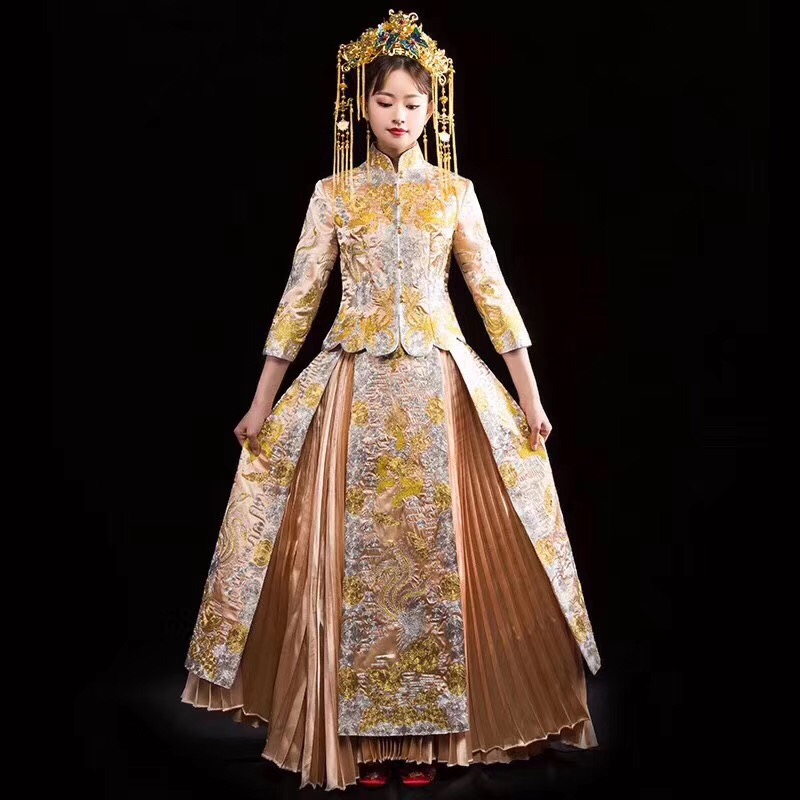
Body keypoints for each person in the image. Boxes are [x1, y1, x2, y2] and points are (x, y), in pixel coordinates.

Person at [180, 9, 601, 791]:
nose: (399, 115)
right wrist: (260, 403)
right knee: (353, 565)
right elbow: (298, 302)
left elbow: (493, 296)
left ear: (432, 110)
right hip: (353, 388)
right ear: (361, 108)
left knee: (441, 563)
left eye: (412, 103)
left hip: (440, 388)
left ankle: (432, 743)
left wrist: (530, 398)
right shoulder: (334, 195)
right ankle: (362, 746)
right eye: (385, 102)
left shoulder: (454, 194)